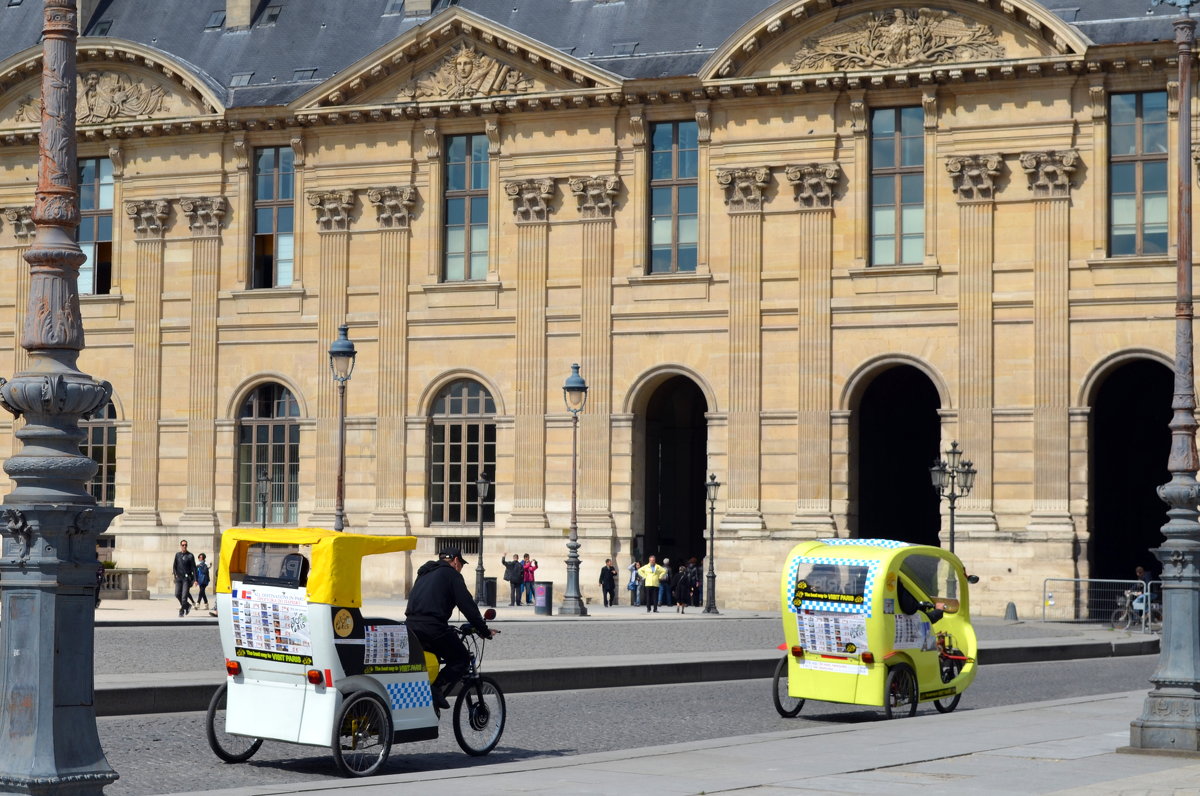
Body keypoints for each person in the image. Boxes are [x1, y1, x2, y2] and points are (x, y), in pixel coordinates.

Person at [405, 547, 495, 710]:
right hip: (432, 627)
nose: (460, 568)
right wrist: (484, 631)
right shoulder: (452, 575)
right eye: (461, 564)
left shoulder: (424, 573)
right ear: (455, 561)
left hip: (410, 626)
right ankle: (435, 689)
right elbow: (468, 607)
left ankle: (426, 698)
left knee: (436, 655)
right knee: (461, 659)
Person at [172, 539, 196, 617]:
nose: (184, 546)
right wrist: (175, 575)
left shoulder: (190, 556)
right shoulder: (177, 555)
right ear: (180, 546)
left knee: (184, 596)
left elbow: (194, 568)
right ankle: (187, 605)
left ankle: (181, 611)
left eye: (185, 545)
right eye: (183, 545)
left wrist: (195, 580)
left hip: (186, 579)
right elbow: (174, 566)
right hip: (179, 578)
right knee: (177, 594)